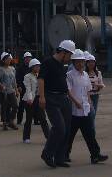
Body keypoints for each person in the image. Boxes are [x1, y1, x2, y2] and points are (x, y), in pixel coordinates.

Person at [66, 50, 108, 165]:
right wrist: (76, 102)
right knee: (70, 135)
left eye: (82, 62)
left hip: (85, 110)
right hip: (74, 111)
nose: (80, 64)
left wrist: (89, 103)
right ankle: (65, 154)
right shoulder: (69, 75)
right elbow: (68, 91)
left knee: (90, 134)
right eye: (78, 62)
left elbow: (88, 90)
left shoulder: (85, 75)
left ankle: (95, 155)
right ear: (73, 63)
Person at [38, 39, 75, 169]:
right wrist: (42, 97)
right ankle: (47, 154)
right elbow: (41, 79)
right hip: (51, 98)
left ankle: (60, 157)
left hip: (64, 98)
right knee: (59, 127)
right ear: (63, 52)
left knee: (67, 129)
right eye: (70, 55)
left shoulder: (62, 65)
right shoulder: (47, 62)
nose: (70, 58)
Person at [22, 58, 49, 144]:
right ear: (31, 67)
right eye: (36, 66)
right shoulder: (27, 76)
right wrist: (30, 98)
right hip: (29, 100)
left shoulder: (40, 75)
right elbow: (28, 88)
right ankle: (26, 137)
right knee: (29, 119)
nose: (38, 68)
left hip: (38, 98)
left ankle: (48, 137)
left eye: (39, 66)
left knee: (43, 118)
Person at [85, 52, 104, 134]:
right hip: (86, 96)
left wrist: (96, 85)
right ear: (86, 63)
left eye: (92, 62)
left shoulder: (98, 73)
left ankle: (91, 130)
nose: (91, 64)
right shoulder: (84, 73)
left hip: (95, 95)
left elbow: (102, 84)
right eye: (89, 62)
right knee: (89, 113)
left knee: (93, 114)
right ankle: (90, 130)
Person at [0, 52, 19, 130]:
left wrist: (16, 90)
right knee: (5, 107)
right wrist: (1, 85)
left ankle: (11, 121)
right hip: (4, 92)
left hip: (11, 90)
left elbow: (14, 80)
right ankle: (4, 123)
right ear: (3, 60)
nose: (9, 60)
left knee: (15, 106)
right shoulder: (0, 69)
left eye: (10, 59)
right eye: (7, 59)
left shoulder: (12, 69)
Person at [16, 51, 32, 125]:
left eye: (29, 58)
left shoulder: (32, 67)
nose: (28, 59)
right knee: (22, 105)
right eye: (27, 58)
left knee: (32, 105)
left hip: (31, 88)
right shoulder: (20, 68)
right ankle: (19, 120)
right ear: (24, 59)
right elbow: (18, 78)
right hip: (23, 88)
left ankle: (34, 120)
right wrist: (19, 86)